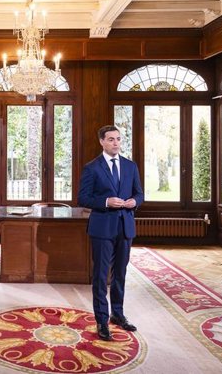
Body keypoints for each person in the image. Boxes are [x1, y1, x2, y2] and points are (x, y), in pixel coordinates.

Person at [78, 125, 144, 341]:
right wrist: (106, 201)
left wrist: (135, 201)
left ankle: (118, 314)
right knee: (100, 275)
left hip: (126, 227)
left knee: (120, 274)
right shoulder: (92, 168)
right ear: (102, 142)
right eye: (111, 139)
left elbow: (139, 193)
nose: (116, 143)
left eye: (118, 139)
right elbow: (83, 198)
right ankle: (101, 320)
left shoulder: (130, 166)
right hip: (102, 228)